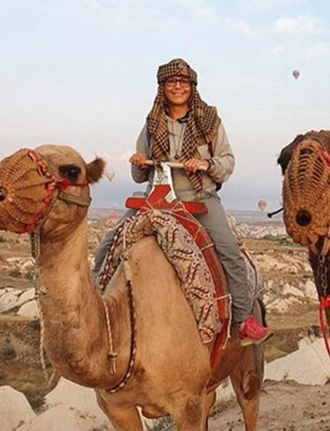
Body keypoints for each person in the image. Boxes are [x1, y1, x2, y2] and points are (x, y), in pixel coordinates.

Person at [93, 58, 269, 346]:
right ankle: (97, 309)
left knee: (229, 253)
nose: (177, 87)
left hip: (198, 199)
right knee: (109, 244)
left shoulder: (211, 122)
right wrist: (138, 162)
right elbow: (139, 176)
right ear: (162, 87)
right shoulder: (152, 124)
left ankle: (242, 321)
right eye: (171, 82)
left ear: (192, 86)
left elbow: (227, 161)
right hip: (156, 197)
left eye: (183, 82)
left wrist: (206, 164)